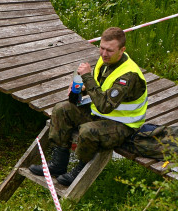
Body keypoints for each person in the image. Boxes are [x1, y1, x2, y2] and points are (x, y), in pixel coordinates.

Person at [29, 26, 148, 185]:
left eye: (110, 51)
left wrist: (86, 77)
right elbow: (101, 87)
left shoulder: (128, 75)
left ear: (122, 50)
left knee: (88, 131)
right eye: (102, 48)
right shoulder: (106, 61)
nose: (104, 54)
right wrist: (82, 88)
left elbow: (104, 106)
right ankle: (58, 164)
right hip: (102, 114)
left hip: (124, 125)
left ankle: (79, 170)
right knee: (61, 110)